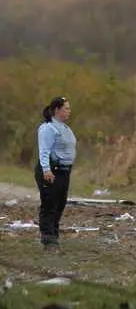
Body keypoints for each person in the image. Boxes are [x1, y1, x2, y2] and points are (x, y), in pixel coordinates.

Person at [34, 96, 77, 251]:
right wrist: (46, 169)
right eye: (66, 108)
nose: (69, 111)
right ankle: (48, 238)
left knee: (60, 203)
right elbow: (44, 151)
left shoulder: (65, 128)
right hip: (52, 170)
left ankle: (54, 233)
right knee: (50, 203)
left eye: (69, 108)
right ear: (57, 110)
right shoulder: (48, 128)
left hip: (64, 171)